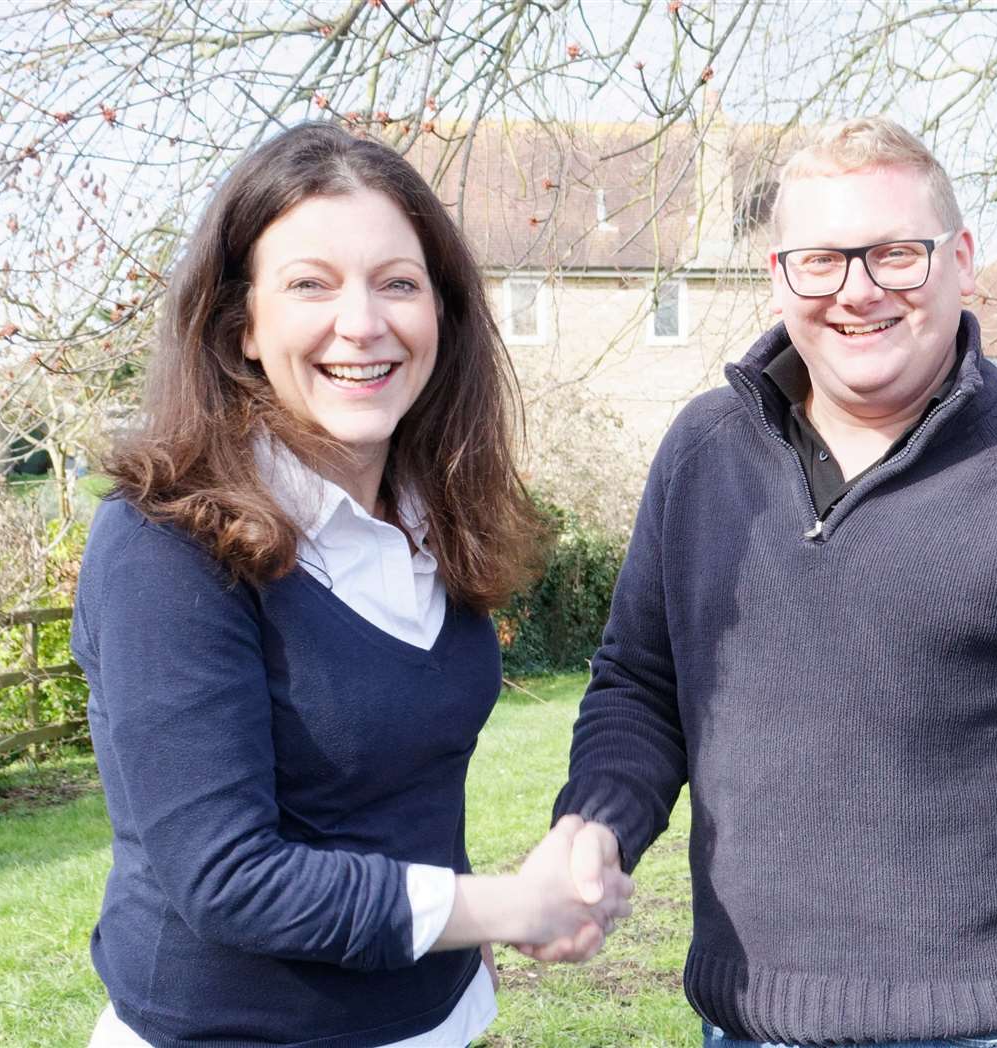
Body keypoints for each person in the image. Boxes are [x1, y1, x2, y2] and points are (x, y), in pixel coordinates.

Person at [546, 116, 997, 1047]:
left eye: (896, 256)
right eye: (821, 262)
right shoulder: (703, 453)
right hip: (747, 1023)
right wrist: (596, 823)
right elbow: (643, 683)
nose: (858, 292)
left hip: (988, 1030)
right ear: (779, 276)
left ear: (961, 259)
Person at [72, 121, 632, 1048]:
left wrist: (471, 940)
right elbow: (225, 878)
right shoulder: (162, 546)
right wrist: (499, 908)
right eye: (309, 285)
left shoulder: (432, 520)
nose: (363, 323)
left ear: (442, 316)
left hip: (439, 1017)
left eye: (398, 283)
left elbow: (405, 774)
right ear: (241, 326)